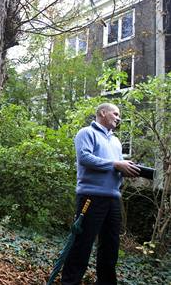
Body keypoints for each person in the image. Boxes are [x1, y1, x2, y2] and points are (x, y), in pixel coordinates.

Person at [61, 103, 140, 285]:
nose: (118, 118)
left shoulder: (116, 141)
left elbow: (115, 167)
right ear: (103, 113)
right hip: (90, 197)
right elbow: (85, 158)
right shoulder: (86, 133)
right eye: (116, 113)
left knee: (110, 247)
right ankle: (69, 282)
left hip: (113, 198)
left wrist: (126, 169)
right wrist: (116, 164)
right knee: (82, 244)